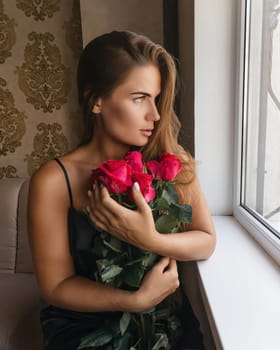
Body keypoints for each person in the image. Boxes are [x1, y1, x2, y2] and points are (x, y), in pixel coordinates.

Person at [28, 30, 216, 350]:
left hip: (164, 325)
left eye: (156, 99)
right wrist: (135, 300)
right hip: (85, 329)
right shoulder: (53, 180)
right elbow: (56, 285)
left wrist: (150, 239)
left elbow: (206, 241)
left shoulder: (171, 161)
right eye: (139, 98)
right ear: (96, 100)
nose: (154, 115)